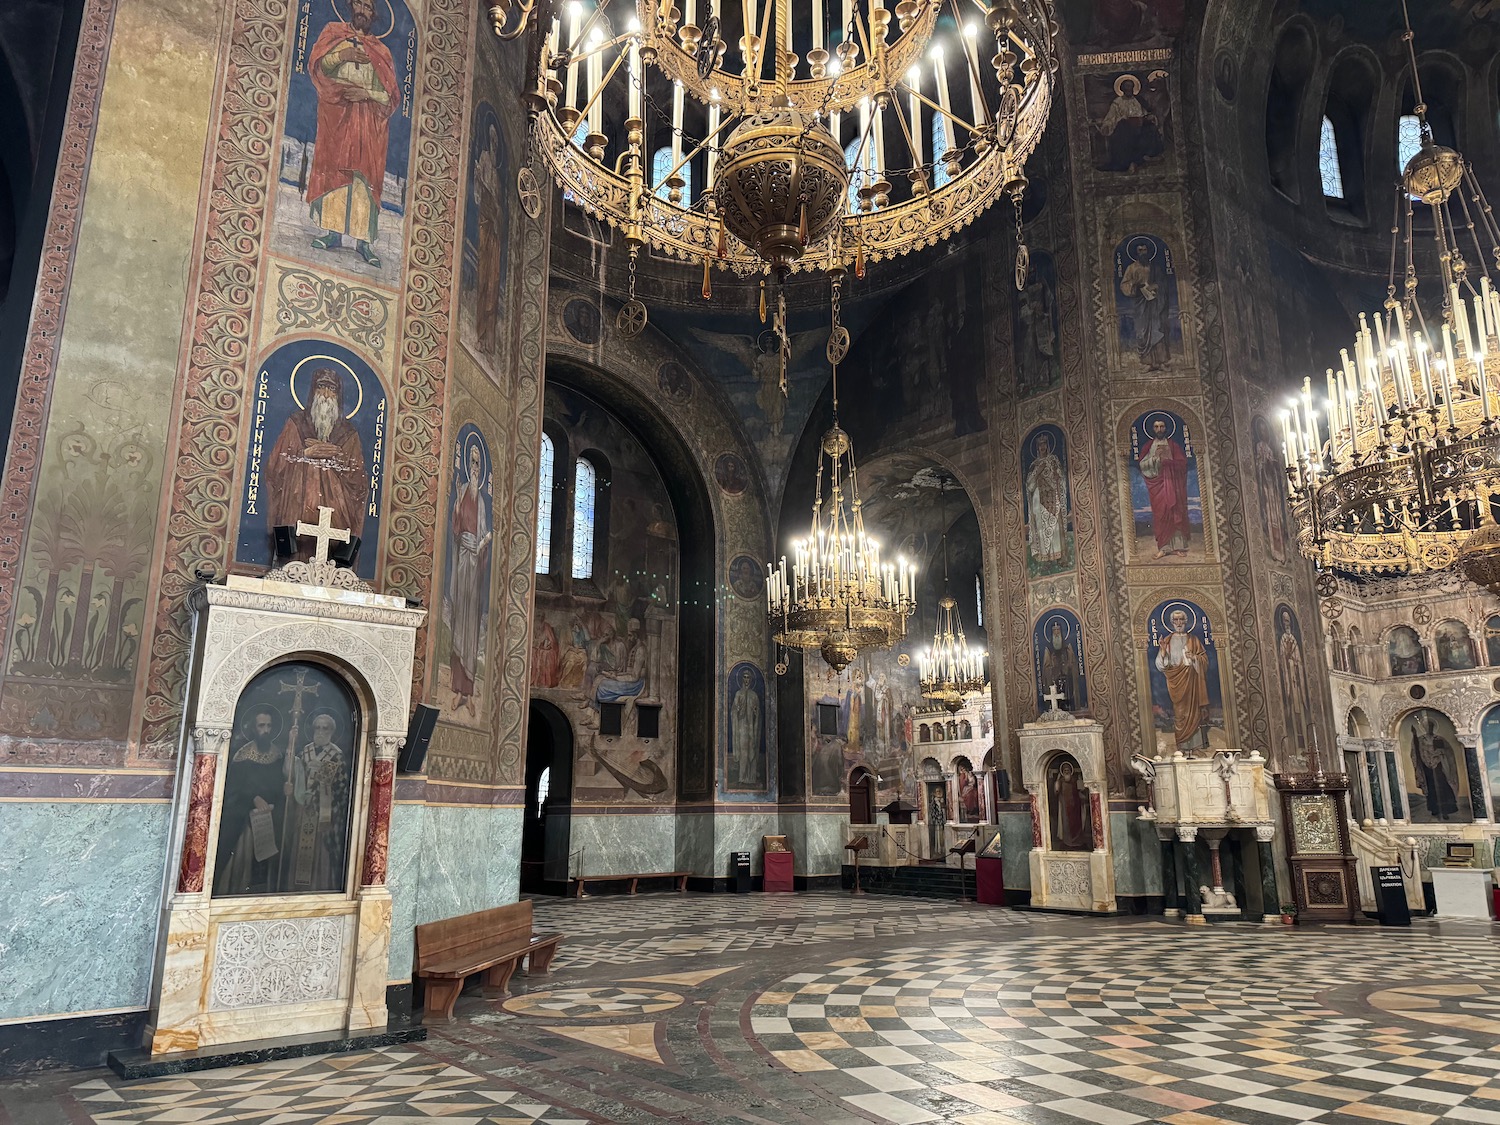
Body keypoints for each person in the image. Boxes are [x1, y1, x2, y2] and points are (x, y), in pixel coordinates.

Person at [306, 0, 399, 267]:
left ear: (374, 14)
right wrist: (341, 56)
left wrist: (366, 94)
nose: (362, 10)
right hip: (337, 116)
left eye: (367, 7)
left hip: (368, 123)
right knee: (336, 170)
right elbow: (318, 69)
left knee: (363, 177)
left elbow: (391, 97)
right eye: (358, 4)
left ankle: (364, 243)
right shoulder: (333, 34)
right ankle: (332, 233)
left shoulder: (381, 52)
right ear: (350, 7)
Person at [267, 367, 366, 552]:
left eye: (332, 389)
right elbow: (275, 467)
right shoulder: (295, 423)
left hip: (336, 521)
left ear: (338, 394)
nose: (327, 394)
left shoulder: (348, 433)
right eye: (322, 387)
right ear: (313, 390)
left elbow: (358, 481)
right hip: (296, 512)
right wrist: (306, 454)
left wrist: (338, 455)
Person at [213, 708, 288, 896]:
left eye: (269, 726)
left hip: (269, 818)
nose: (266, 730)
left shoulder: (278, 755)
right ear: (254, 728)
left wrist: (279, 798)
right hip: (244, 819)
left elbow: (278, 785)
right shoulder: (243, 756)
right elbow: (234, 788)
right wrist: (253, 798)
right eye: (261, 725)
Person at [447, 440, 492, 716]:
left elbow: (486, 532)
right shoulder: (462, 491)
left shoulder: (483, 502)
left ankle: (469, 693)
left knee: (471, 626)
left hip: (475, 565)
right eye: (471, 463)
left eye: (477, 463)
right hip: (462, 560)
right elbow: (455, 528)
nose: (474, 468)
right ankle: (457, 689)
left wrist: (484, 542)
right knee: (459, 621)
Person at [286, 713, 352, 892]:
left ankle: (320, 887)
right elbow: (293, 773)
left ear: (332, 731)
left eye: (325, 728)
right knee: (300, 849)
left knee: (320, 851)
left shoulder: (336, 755)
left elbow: (341, 789)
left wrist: (319, 794)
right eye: (318, 728)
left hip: (323, 813)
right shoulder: (305, 752)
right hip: (303, 809)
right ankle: (296, 889)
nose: (321, 732)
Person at [1154, 608, 1210, 751]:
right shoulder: (1167, 640)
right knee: (1180, 714)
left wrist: (1195, 658)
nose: (1178, 622)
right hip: (1176, 682)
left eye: (1181, 619)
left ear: (1185, 621)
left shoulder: (1194, 640)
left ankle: (1196, 748)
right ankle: (1182, 748)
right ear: (1172, 622)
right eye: (1176, 620)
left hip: (1192, 682)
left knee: (1194, 714)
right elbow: (1161, 665)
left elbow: (1205, 661)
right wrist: (1162, 651)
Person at [471, 123, 504, 354]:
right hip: (484, 228)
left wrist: (497, 214)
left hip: (494, 236)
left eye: (496, 143)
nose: (493, 145)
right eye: (491, 140)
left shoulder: (500, 181)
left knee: (492, 285)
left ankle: (489, 340)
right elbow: (478, 196)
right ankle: (479, 334)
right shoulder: (482, 160)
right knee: (483, 281)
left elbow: (499, 210)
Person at [1137, 415, 1191, 557]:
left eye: (1162, 426)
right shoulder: (1149, 446)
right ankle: (1164, 547)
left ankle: (1178, 547)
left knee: (1175, 512)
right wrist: (1155, 459)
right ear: (1152, 429)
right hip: (1157, 484)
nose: (1159, 429)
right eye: (1156, 426)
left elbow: (1183, 463)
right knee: (1161, 514)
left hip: (1173, 483)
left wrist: (1168, 462)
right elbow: (1142, 464)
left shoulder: (1173, 445)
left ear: (1166, 428)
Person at [1095, 73, 1164, 172]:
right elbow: (1110, 118)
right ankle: (1128, 162)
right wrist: (1109, 125)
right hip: (1125, 129)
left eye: (1131, 87)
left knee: (1150, 128)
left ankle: (1148, 157)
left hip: (1139, 127)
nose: (1129, 89)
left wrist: (1148, 117)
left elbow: (1144, 113)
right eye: (1127, 87)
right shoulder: (1117, 102)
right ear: (1122, 89)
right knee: (1124, 129)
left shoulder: (1138, 100)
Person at [1119, 240, 1171, 370]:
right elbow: (1124, 284)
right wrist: (1135, 286)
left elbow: (1163, 283)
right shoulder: (1131, 268)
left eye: (1145, 250)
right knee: (1142, 331)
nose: (1143, 253)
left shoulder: (1155, 267)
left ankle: (1161, 362)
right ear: (1136, 253)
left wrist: (1155, 286)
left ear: (1149, 252)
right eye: (1140, 250)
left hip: (1155, 303)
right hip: (1140, 304)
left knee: (1157, 329)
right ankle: (1148, 363)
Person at [1026, 433, 1066, 567]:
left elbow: (1060, 477)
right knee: (1042, 527)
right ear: (1037, 447)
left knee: (1055, 526)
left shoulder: (1053, 460)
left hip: (1053, 496)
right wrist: (1037, 472)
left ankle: (1060, 557)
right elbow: (1030, 485)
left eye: (1044, 444)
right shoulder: (1034, 464)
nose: (1042, 447)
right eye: (1040, 445)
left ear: (1047, 445)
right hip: (1039, 498)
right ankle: (1046, 559)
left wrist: (1056, 474)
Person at [1409, 716, 1460, 820]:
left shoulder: (1439, 739)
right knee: (1431, 788)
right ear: (1424, 728)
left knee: (1443, 786)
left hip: (1439, 766)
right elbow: (1416, 752)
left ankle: (1445, 810)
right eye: (1427, 727)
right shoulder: (1420, 740)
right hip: (1427, 768)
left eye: (1430, 726)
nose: (1429, 728)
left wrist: (1440, 752)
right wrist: (1414, 735)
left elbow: (1448, 751)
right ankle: (1435, 809)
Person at [1276, 609, 1309, 752]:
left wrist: (1295, 663)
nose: (1286, 623)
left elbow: (1298, 659)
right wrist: (1288, 661)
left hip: (1296, 678)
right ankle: (1294, 745)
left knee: (1299, 709)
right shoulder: (1283, 639)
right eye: (1284, 621)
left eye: (1288, 621)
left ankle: (1304, 744)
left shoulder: (1293, 639)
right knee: (1291, 710)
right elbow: (1282, 656)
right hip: (1288, 678)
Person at [1048, 758, 1091, 851]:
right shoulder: (1060, 781)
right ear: (1062, 772)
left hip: (1076, 807)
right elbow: (1056, 792)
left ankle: (1077, 842)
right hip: (1065, 808)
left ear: (1071, 771)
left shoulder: (1075, 780)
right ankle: (1068, 842)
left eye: (1068, 770)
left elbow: (1082, 792)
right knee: (1066, 825)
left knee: (1077, 824)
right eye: (1065, 770)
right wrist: (1056, 783)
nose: (1066, 772)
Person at [730, 668, 763, 788]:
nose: (746, 679)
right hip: (742, 727)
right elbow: (733, 711)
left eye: (748, 677)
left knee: (752, 750)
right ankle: (742, 777)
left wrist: (756, 712)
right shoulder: (738, 694)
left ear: (751, 679)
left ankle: (752, 778)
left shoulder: (754, 695)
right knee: (744, 752)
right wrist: (737, 710)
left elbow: (758, 713)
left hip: (752, 729)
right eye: (744, 677)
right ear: (741, 679)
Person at [1040, 619, 1079, 707]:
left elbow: (1073, 664)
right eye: (1054, 630)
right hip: (1054, 682)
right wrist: (1053, 668)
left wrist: (1068, 666)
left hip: (1067, 681)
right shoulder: (1048, 649)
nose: (1056, 633)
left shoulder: (1067, 647)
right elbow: (1046, 668)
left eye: (1058, 630)